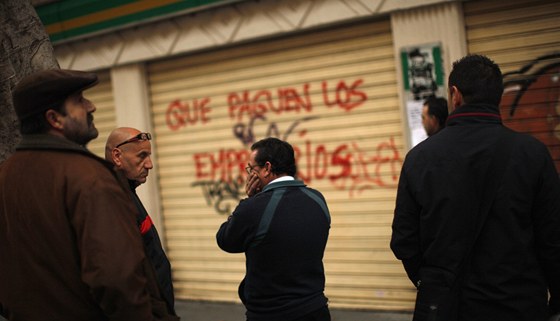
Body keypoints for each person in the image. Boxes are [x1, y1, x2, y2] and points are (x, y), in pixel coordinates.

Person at [391, 54, 560, 321]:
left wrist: (432, 283)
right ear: (499, 97)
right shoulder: (533, 155)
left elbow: (404, 239)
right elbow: (553, 238)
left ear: (455, 95)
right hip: (518, 305)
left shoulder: (419, 159)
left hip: (446, 307)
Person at [0, 69, 178, 321]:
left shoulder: (5, 176)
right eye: (79, 101)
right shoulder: (88, 177)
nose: (91, 107)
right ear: (55, 118)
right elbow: (117, 279)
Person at [216, 137, 331, 321]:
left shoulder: (254, 207)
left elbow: (225, 240)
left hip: (271, 314)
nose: (249, 174)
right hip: (316, 309)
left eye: (251, 169)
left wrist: (249, 201)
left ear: (267, 168)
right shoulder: (317, 199)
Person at [105, 127, 176, 316]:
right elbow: (121, 276)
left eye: (149, 155)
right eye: (142, 156)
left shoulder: (127, 192)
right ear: (117, 156)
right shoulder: (113, 200)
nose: (150, 164)